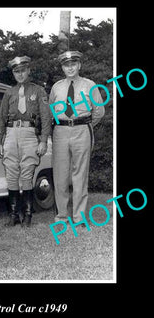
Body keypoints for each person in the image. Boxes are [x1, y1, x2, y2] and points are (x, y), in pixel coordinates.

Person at [49, 50, 105, 226]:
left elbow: (99, 112)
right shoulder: (56, 87)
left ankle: (79, 217)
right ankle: (61, 216)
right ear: (62, 68)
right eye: (66, 65)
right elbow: (51, 110)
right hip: (60, 131)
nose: (70, 67)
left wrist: (84, 124)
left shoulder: (90, 85)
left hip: (82, 129)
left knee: (80, 174)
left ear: (79, 65)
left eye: (73, 64)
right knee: (60, 175)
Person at [0, 56, 52, 227]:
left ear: (29, 71)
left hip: (29, 133)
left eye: (23, 71)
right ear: (13, 73)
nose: (20, 74)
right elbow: (1, 118)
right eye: (16, 71)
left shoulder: (38, 91)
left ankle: (27, 216)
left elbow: (46, 118)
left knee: (27, 173)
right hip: (11, 134)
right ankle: (13, 215)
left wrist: (43, 141)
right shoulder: (9, 92)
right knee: (11, 173)